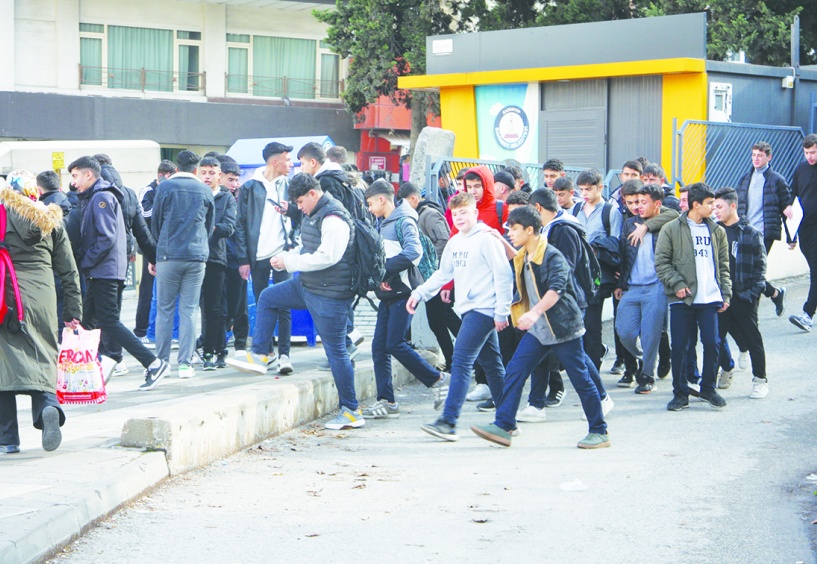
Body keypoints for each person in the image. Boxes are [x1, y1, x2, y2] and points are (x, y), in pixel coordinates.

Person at [228, 174, 363, 430]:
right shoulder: (314, 213)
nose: (299, 207)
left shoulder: (334, 218)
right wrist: (288, 256)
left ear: (313, 194)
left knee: (336, 353)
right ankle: (260, 355)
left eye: (301, 201)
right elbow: (305, 247)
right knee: (268, 298)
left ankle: (352, 410)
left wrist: (290, 262)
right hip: (308, 285)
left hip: (330, 293)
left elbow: (328, 257)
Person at [470, 205, 610, 449]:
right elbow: (516, 257)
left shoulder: (553, 256)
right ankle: (504, 425)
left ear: (530, 230)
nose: (509, 233)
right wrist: (497, 239)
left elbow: (556, 290)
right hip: (540, 331)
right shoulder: (525, 253)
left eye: (513, 229)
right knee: (514, 371)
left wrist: (533, 313)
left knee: (581, 380)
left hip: (563, 329)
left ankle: (599, 431)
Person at [407, 192, 513, 442]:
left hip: (484, 309)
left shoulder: (487, 239)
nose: (459, 218)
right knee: (492, 364)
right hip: (467, 309)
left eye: (464, 212)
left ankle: (449, 421)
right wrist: (419, 293)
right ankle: (507, 421)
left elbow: (503, 275)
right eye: (455, 214)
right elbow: (443, 274)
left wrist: (502, 311)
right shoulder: (455, 242)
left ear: (475, 213)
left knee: (462, 360)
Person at [67, 156, 169, 391]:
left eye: (75, 176)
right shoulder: (94, 196)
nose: (73, 183)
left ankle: (153, 363)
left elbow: (107, 237)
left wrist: (85, 260)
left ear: (89, 175)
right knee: (86, 322)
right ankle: (97, 368)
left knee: (108, 321)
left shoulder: (101, 197)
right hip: (101, 270)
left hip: (105, 270)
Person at [0, 185, 82, 454]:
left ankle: (8, 438)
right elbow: (69, 270)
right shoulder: (50, 218)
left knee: (4, 365)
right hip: (42, 298)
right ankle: (48, 407)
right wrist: (73, 311)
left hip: (6, 294)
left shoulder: (2, 214)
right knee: (42, 354)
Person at [361, 180, 449, 419]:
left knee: (394, 343)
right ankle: (387, 401)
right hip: (389, 294)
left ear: (382, 199)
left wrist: (384, 273)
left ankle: (438, 379)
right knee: (379, 347)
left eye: (370, 204)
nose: (369, 209)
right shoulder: (381, 222)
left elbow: (414, 253)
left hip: (405, 293)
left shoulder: (403, 220)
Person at [655, 182, 732, 411]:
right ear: (696, 205)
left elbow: (724, 266)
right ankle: (680, 393)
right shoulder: (671, 229)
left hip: (710, 298)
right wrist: (677, 284)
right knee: (679, 346)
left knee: (712, 343)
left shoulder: (717, 231)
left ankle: (708, 388)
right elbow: (661, 262)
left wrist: (725, 293)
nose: (714, 208)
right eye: (710, 204)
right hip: (682, 298)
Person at [234, 141, 297, 372]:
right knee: (262, 305)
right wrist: (243, 259)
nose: (290, 163)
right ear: (274, 161)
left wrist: (294, 246)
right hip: (257, 256)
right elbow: (240, 224)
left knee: (284, 305)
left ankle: (285, 355)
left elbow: (300, 215)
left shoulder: (290, 186)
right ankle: (267, 351)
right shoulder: (250, 187)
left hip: (283, 253)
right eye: (287, 159)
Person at [298, 141, 365, 359]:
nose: (301, 168)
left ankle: (345, 343)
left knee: (330, 296)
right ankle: (347, 339)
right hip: (348, 244)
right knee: (338, 295)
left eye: (302, 163)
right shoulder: (341, 177)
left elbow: (331, 215)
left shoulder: (325, 181)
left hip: (337, 246)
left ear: (313, 162)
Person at [151, 150, 214, 379]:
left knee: (165, 310)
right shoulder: (205, 189)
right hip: (197, 256)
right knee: (189, 310)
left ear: (176, 168)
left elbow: (156, 222)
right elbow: (210, 225)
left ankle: (161, 362)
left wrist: (158, 251)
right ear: (196, 169)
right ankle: (185, 364)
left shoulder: (165, 187)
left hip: (168, 255)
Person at [614, 184, 679, 394]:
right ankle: (647, 356)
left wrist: (648, 226)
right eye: (636, 202)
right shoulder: (629, 223)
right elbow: (625, 255)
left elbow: (675, 214)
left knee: (651, 333)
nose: (639, 207)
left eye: (644, 202)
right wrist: (620, 283)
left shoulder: (669, 224)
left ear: (657, 204)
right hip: (632, 287)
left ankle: (647, 375)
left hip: (656, 287)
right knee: (624, 332)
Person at [397, 181, 460, 372]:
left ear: (414, 199)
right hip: (431, 279)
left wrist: (429, 261)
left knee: (445, 318)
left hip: (439, 277)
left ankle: (467, 358)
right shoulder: (417, 216)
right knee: (436, 321)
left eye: (405, 203)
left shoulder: (429, 215)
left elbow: (444, 240)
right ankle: (453, 361)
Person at [712, 187, 769, 398]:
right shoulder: (714, 230)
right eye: (714, 207)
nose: (715, 211)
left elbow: (761, 266)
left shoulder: (750, 233)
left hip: (744, 295)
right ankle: (711, 380)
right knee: (715, 338)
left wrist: (753, 293)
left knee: (753, 337)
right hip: (719, 296)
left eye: (719, 206)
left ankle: (760, 380)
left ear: (732, 205)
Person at [570, 168, 623, 372]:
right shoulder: (574, 211)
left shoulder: (610, 212)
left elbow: (616, 244)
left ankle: (593, 367)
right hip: (576, 276)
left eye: (589, 189)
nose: (584, 193)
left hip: (598, 277)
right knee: (578, 323)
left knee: (592, 324)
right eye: (581, 189)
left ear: (600, 187)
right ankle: (582, 364)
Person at [734, 141, 791, 317]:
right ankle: (775, 293)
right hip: (745, 232)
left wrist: (791, 237)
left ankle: (752, 313)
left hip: (765, 233)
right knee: (745, 270)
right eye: (753, 156)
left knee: (754, 270)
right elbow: (736, 204)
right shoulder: (745, 179)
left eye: (760, 156)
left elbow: (787, 209)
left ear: (769, 157)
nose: (756, 159)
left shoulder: (777, 180)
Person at [197, 157, 236, 370]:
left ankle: (213, 350)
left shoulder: (226, 198)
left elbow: (229, 226)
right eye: (204, 172)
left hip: (215, 258)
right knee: (197, 307)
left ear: (218, 175)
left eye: (211, 173)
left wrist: (210, 229)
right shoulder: (193, 194)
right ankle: (211, 348)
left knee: (214, 307)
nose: (207, 176)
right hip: (192, 257)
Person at [134, 160, 176, 343]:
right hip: (151, 246)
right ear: (161, 176)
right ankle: (141, 330)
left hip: (169, 246)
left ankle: (168, 331)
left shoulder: (173, 190)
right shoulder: (148, 191)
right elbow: (146, 214)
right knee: (148, 289)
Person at [218, 156, 249, 357]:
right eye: (231, 179)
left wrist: (245, 259)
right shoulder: (213, 198)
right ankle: (216, 344)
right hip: (218, 259)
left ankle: (240, 345)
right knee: (219, 307)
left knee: (240, 305)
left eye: (236, 179)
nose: (234, 184)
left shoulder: (241, 199)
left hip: (237, 259)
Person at [789, 134, 817, 331]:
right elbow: (793, 197)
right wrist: (791, 235)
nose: (810, 157)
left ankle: (808, 314)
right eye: (807, 153)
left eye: (813, 152)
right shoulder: (800, 169)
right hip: (805, 228)